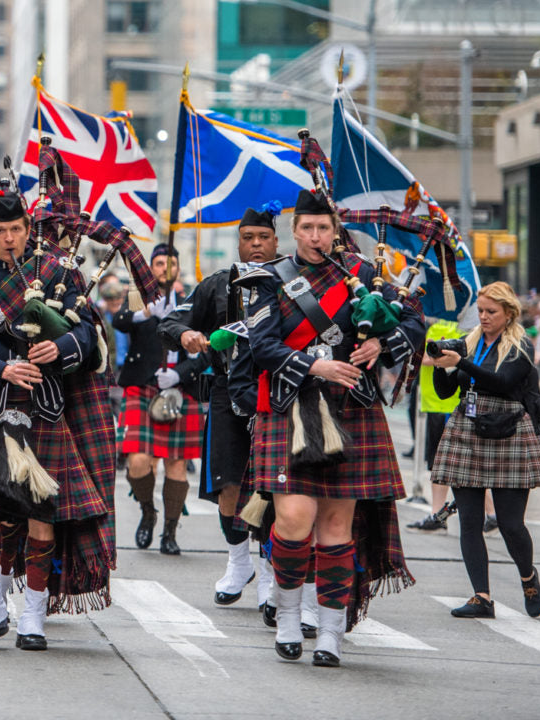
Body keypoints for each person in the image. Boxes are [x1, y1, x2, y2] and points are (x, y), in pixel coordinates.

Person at [232, 188, 425, 668]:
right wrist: (317, 368)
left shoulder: (364, 275)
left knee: (337, 527)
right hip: (292, 406)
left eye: (324, 228)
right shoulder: (268, 279)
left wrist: (381, 346)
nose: (316, 236)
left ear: (335, 231)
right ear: (294, 231)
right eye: (308, 228)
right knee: (294, 521)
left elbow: (415, 322)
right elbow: (262, 346)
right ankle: (289, 617)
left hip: (352, 409)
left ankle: (331, 632)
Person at [0, 183, 113, 651]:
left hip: (43, 407)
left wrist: (60, 346)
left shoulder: (60, 276)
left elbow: (88, 336)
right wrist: (2, 368)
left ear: (27, 228)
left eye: (17, 228)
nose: (10, 237)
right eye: (1, 230)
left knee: (42, 514)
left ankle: (33, 615)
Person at [156, 204, 280, 604]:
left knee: (273, 487)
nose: (256, 245)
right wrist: (187, 335)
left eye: (263, 237)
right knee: (229, 482)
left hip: (280, 393)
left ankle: (269, 573)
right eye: (249, 238)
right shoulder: (218, 285)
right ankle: (237, 560)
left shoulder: (290, 282)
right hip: (228, 393)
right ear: (239, 242)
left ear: (276, 241)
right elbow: (171, 321)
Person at [429, 281, 540, 620]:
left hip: (509, 432)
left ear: (509, 313)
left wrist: (462, 363)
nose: (483, 317)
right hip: (468, 429)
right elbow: (445, 393)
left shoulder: (520, 345)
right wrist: (443, 364)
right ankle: (481, 596)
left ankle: (528, 577)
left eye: (490, 312)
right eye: (480, 311)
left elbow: (501, 381)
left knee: (511, 524)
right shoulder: (469, 343)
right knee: (469, 520)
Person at [113, 243, 202, 556]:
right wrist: (146, 312)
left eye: (171, 263)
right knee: (137, 460)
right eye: (160, 263)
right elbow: (119, 321)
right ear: (150, 267)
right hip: (142, 386)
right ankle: (148, 511)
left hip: (180, 388)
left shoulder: (193, 298)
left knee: (176, 465)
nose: (165, 268)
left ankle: (170, 531)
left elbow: (207, 348)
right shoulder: (138, 295)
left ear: (178, 267)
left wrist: (181, 374)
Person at [407, 317, 466, 532]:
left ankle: (491, 514)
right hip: (436, 404)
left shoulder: (450, 326)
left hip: (446, 406)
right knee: (440, 464)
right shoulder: (438, 325)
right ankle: (437, 514)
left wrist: (417, 352)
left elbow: (428, 358)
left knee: (451, 465)